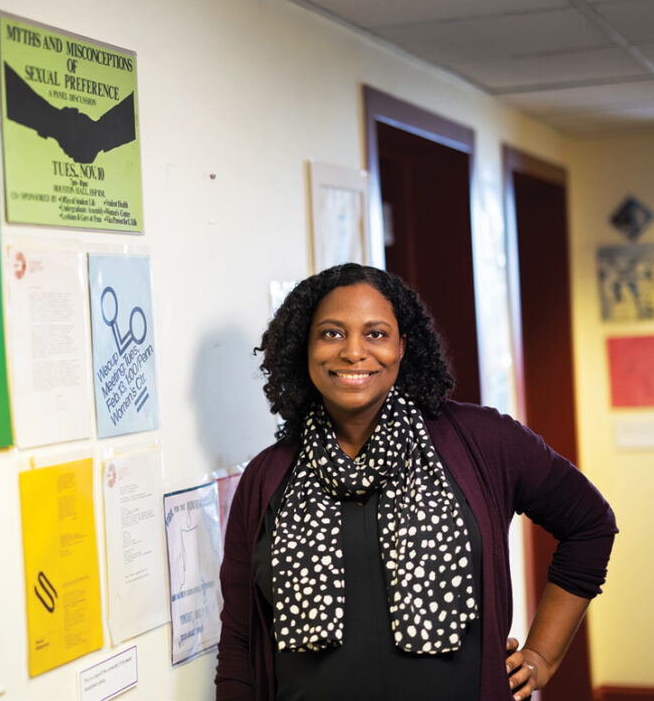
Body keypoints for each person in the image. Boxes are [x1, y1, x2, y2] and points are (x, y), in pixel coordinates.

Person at [215, 263, 616, 701]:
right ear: (304, 348)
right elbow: (239, 639)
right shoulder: (266, 478)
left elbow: (590, 525)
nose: (353, 352)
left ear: (403, 346)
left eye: (376, 334)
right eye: (331, 333)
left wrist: (542, 656)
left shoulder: (482, 441)